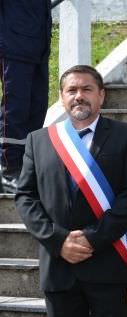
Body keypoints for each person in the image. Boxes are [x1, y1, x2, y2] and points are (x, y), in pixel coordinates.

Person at [15, 65, 127, 317]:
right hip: (59, 263)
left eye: (87, 89)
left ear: (101, 95)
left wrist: (92, 239)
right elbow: (25, 196)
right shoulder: (39, 140)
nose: (79, 96)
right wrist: (59, 240)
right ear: (62, 97)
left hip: (107, 259)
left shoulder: (126, 135)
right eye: (71, 90)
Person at [0, 0, 52, 193]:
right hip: (13, 47)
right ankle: (9, 169)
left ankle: (27, 167)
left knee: (37, 109)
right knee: (15, 110)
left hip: (40, 49)